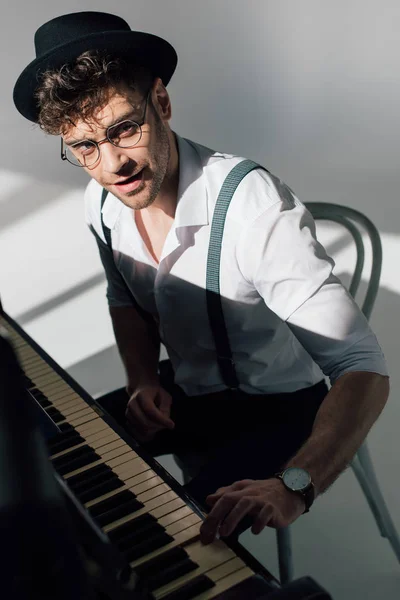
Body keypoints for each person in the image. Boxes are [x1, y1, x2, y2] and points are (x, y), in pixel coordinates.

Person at [13, 11, 389, 545]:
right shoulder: (102, 203)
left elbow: (363, 370)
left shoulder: (252, 207)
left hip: (281, 408)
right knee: (54, 454)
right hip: (187, 392)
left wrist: (293, 486)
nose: (113, 163)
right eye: (86, 147)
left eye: (125, 128)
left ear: (161, 103)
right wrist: (144, 379)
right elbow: (124, 297)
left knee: (171, 539)